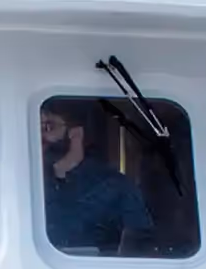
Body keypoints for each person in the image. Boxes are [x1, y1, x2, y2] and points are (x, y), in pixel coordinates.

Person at [41, 103, 153, 254]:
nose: (40, 137)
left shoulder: (116, 187)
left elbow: (140, 246)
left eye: (48, 127)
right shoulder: (19, 185)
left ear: (76, 133)